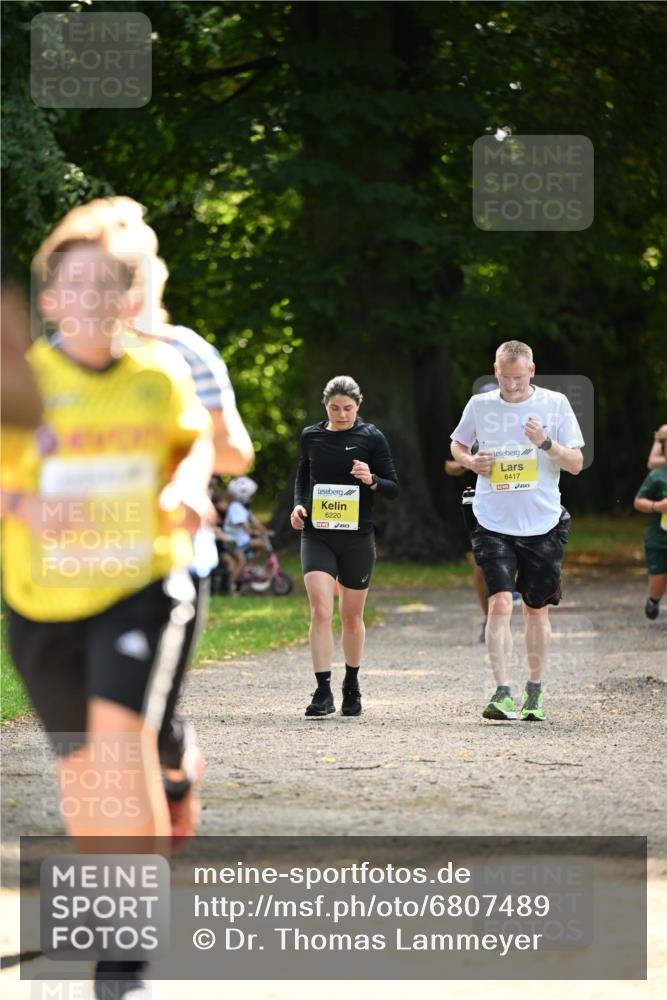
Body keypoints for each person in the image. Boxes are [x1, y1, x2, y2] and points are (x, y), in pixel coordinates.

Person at [2, 219, 214, 996]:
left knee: (120, 749)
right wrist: (22, 502)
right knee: (84, 778)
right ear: (51, 300)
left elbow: (189, 445)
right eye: (75, 283)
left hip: (141, 586)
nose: (91, 296)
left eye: (108, 284)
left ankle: (125, 960)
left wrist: (187, 489)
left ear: (130, 301)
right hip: (43, 601)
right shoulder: (22, 385)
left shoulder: (157, 375)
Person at [450, 341, 584, 722]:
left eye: (518, 378)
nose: (511, 385)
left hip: (542, 522)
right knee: (499, 602)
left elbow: (575, 463)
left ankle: (535, 691)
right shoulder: (480, 405)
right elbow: (458, 444)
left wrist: (545, 442)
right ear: (495, 370)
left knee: (535, 609)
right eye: (504, 377)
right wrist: (471, 461)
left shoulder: (555, 404)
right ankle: (502, 691)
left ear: (532, 371)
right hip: (491, 518)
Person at [290, 375, 399, 717]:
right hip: (318, 533)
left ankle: (351, 685)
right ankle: (322, 691)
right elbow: (303, 477)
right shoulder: (311, 435)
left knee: (351, 617)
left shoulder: (371, 437)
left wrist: (371, 480)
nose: (341, 414)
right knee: (321, 610)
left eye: (348, 408)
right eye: (335, 408)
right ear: (325, 406)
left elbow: (393, 487)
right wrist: (298, 505)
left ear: (359, 405)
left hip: (357, 538)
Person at [445, 381, 498, 641]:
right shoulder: (470, 428)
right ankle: (488, 618)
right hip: (480, 504)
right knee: (481, 565)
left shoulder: (515, 426)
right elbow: (450, 466)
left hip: (514, 503)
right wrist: (470, 463)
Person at [634, 435, 667, 619]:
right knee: (659, 583)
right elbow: (638, 502)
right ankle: (653, 600)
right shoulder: (657, 475)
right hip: (659, 538)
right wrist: (658, 506)